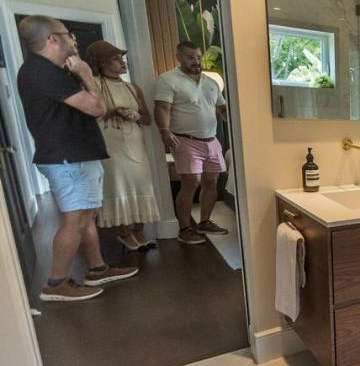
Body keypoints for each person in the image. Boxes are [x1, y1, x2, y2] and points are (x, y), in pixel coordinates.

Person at [16, 15, 138, 302]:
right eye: (68, 34)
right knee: (76, 219)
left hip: (71, 155)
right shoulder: (44, 72)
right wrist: (85, 74)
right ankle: (56, 284)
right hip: (69, 158)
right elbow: (97, 108)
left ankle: (97, 269)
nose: (74, 39)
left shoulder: (46, 71)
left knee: (85, 215)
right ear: (52, 39)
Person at [86, 41, 160, 250]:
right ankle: (124, 233)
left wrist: (135, 114)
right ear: (101, 63)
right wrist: (113, 112)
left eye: (122, 58)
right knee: (118, 184)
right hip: (111, 144)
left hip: (135, 144)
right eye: (115, 59)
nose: (122, 62)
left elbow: (147, 119)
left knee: (142, 183)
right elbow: (87, 117)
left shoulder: (132, 88)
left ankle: (139, 230)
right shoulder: (93, 85)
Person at [154, 41, 228, 245]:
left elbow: (221, 109)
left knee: (212, 181)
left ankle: (204, 221)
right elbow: (162, 108)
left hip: (211, 140)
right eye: (190, 57)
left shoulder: (211, 82)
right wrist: (164, 131)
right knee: (191, 182)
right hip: (186, 140)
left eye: (198, 57)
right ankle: (185, 228)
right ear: (179, 57)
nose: (196, 61)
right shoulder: (168, 79)